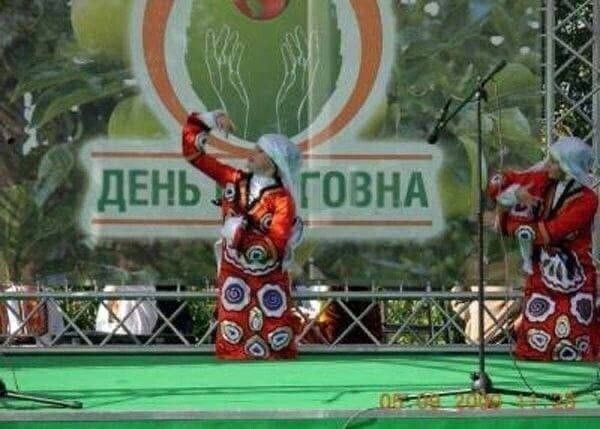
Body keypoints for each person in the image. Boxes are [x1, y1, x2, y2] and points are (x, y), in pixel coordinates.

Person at [182, 111, 303, 360]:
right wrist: (208, 120)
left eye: (259, 150)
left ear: (274, 162)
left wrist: (237, 234)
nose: (252, 153)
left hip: (267, 278)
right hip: (234, 274)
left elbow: (275, 245)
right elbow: (193, 155)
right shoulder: (234, 179)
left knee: (274, 336)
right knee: (232, 335)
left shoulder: (282, 200)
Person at [487, 136, 598, 361]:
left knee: (575, 330)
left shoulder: (588, 200)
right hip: (541, 272)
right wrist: (511, 193)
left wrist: (513, 227)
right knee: (537, 328)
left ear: (569, 168)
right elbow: (499, 183)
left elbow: (554, 231)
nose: (547, 165)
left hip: (575, 272)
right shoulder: (542, 180)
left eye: (554, 162)